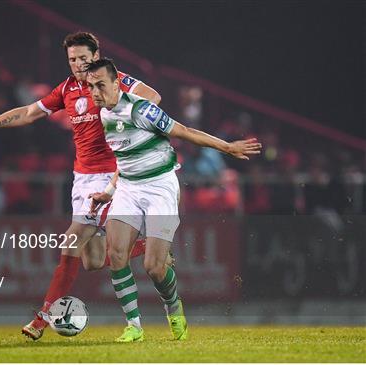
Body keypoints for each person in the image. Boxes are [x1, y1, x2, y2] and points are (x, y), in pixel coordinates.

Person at [0, 32, 162, 340]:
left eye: (83, 59)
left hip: (113, 177)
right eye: (72, 60)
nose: (77, 65)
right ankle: (145, 247)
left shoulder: (116, 82)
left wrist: (125, 114)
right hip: (82, 179)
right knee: (91, 261)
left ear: (97, 55)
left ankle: (41, 319)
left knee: (70, 242)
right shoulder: (66, 89)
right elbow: (27, 113)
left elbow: (154, 97)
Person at [86, 58, 262, 342]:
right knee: (116, 254)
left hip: (159, 187)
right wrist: (109, 190)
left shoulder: (140, 109)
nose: (94, 92)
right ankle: (134, 326)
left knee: (155, 267)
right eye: (91, 86)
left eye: (100, 85)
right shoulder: (105, 114)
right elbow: (125, 156)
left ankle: (173, 305)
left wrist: (226, 147)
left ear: (116, 84)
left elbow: (185, 132)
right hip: (129, 189)